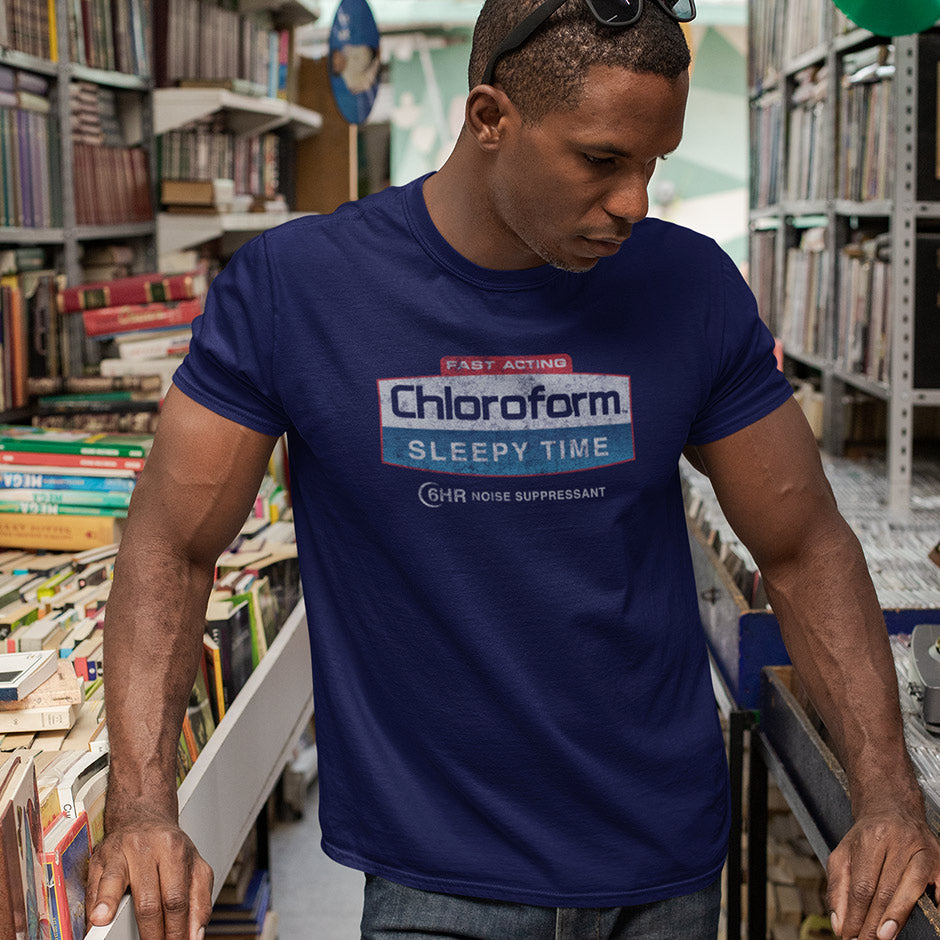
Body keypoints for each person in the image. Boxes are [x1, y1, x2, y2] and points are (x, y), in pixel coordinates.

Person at [85, 0, 940, 938]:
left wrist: (889, 795)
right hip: (435, 881)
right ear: (490, 118)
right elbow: (170, 543)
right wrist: (139, 807)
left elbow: (806, 546)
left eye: (654, 163)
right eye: (603, 160)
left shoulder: (689, 287)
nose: (635, 203)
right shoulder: (297, 291)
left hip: (664, 873)